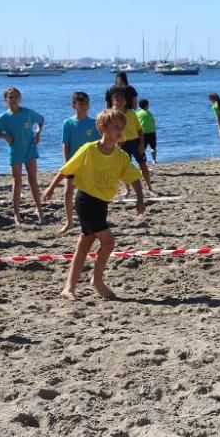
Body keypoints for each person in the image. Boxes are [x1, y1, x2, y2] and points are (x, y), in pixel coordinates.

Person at [43, 109, 145, 300]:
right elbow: (66, 170)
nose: (120, 131)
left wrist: (140, 199)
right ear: (102, 128)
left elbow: (134, 178)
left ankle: (69, 287)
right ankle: (97, 281)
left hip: (102, 204)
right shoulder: (89, 149)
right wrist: (50, 188)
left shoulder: (121, 156)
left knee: (84, 244)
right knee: (109, 242)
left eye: (122, 128)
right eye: (115, 127)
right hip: (86, 201)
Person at [0, 88, 45, 225]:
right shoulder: (5, 117)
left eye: (15, 96)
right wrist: (4, 136)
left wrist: (38, 133)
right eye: (10, 97)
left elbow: (41, 120)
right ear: (6, 100)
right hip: (15, 151)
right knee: (17, 181)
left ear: (20, 98)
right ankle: (16, 213)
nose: (13, 99)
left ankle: (39, 209)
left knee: (33, 180)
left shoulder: (28, 113)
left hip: (30, 150)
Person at [59, 92, 100, 234]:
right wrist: (66, 163)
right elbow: (65, 144)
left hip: (88, 164)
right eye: (81, 103)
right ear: (74, 105)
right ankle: (69, 222)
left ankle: (90, 221)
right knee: (68, 192)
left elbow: (98, 144)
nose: (84, 106)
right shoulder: (68, 123)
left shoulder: (94, 124)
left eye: (86, 103)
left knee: (89, 193)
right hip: (72, 163)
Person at [108, 87, 156, 195]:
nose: (118, 103)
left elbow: (139, 130)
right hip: (121, 143)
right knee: (124, 168)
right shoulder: (112, 115)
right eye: (116, 100)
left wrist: (141, 144)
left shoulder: (131, 113)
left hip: (135, 141)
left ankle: (149, 187)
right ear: (113, 102)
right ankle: (128, 189)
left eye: (121, 100)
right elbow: (109, 132)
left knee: (143, 164)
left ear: (125, 102)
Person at [136, 99, 157, 163]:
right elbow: (153, 122)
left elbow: (136, 123)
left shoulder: (137, 114)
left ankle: (142, 160)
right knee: (153, 147)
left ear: (139, 106)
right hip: (151, 132)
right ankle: (154, 160)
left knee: (143, 147)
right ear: (147, 105)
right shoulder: (150, 113)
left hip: (142, 133)